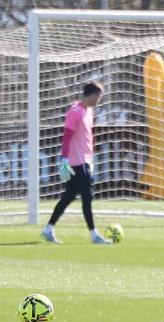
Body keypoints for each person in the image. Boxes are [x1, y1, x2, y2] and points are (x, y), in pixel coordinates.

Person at [42, 81, 110, 244]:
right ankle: (94, 235)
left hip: (85, 160)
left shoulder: (88, 111)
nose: (98, 100)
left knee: (69, 197)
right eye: (98, 97)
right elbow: (66, 137)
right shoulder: (76, 112)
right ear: (92, 95)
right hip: (77, 163)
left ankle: (48, 229)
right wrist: (64, 160)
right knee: (87, 196)